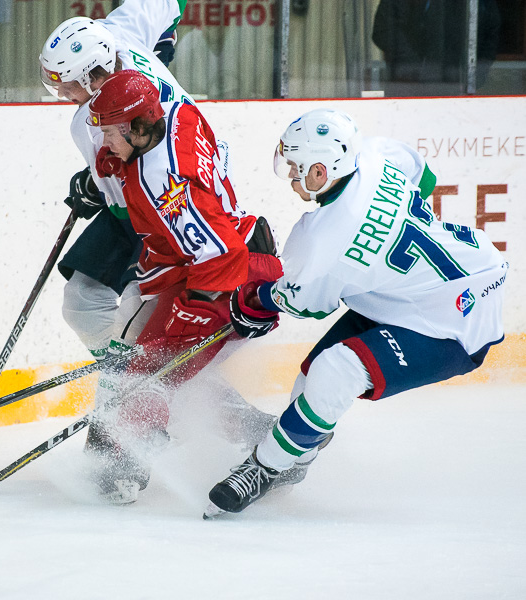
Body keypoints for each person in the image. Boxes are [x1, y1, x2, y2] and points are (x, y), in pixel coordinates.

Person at [205, 108, 508, 517]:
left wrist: (255, 300)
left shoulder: (317, 242)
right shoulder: (376, 155)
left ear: (320, 171)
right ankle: (295, 462)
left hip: (452, 323)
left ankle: (264, 467)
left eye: (297, 167)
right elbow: (425, 178)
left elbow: (304, 304)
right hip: (447, 277)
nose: (292, 176)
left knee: (335, 372)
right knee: (311, 380)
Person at [83, 70, 284, 504]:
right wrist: (113, 161)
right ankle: (270, 436)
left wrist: (190, 313)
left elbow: (221, 256)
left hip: (223, 282)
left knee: (149, 372)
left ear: (138, 127)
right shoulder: (175, 113)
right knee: (176, 376)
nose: (104, 143)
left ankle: (123, 465)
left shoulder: (170, 185)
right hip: (222, 258)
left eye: (110, 135)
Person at [39, 1, 191, 364]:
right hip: (166, 188)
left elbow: (126, 215)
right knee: (81, 304)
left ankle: (133, 401)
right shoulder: (115, 35)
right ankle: (131, 384)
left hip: (173, 211)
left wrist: (96, 185)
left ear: (95, 76)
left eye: (68, 84)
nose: (62, 94)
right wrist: (97, 181)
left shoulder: (89, 125)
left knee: (135, 319)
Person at [372, 0, 501, 96]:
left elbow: (491, 34)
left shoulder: (482, 4)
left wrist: (475, 77)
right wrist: (414, 70)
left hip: (458, 92)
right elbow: (382, 31)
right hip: (409, 90)